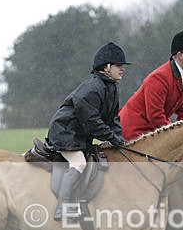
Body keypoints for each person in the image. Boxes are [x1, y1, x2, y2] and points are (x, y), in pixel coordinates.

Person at [46, 41, 129, 220]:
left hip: (79, 135)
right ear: (106, 67)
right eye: (118, 66)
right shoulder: (93, 88)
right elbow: (92, 121)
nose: (122, 69)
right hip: (65, 132)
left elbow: (113, 117)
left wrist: (119, 138)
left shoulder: (111, 88)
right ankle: (63, 207)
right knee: (79, 163)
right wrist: (111, 138)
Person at [119, 29, 183, 140]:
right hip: (133, 131)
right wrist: (174, 136)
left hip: (153, 130)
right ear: (180, 55)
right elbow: (155, 116)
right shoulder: (159, 78)